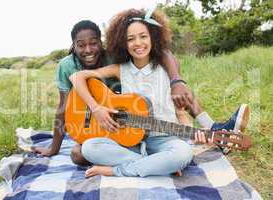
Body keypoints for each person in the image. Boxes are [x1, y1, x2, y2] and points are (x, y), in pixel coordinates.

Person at [34, 16, 249, 165]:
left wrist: (176, 80)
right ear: (73, 45)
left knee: (174, 88)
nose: (88, 49)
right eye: (81, 45)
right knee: (78, 155)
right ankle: (152, 162)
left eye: (93, 43)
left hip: (134, 119)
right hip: (97, 124)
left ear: (101, 43)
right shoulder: (66, 66)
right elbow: (64, 106)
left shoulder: (115, 56)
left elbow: (162, 54)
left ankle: (213, 128)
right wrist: (54, 148)